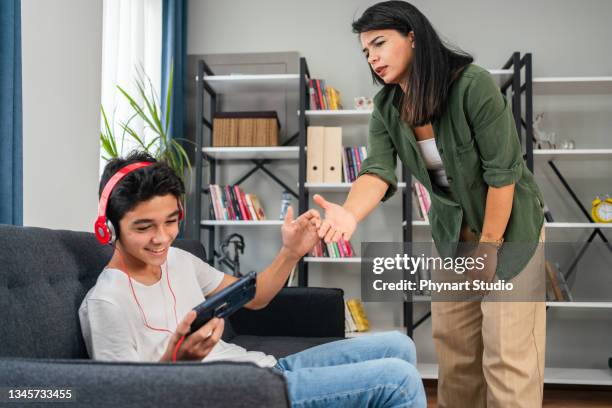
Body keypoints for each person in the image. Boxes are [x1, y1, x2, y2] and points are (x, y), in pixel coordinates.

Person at [313, 1, 547, 407]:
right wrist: (349, 212)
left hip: (510, 233)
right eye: (366, 51)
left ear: (413, 38)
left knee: (507, 355)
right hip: (452, 239)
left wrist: (489, 247)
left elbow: (503, 173)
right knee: (455, 356)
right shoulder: (387, 108)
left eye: (380, 43)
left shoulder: (473, 85)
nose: (372, 58)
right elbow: (377, 172)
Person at [79, 151, 426, 408]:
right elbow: (124, 397)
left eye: (170, 221)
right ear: (108, 228)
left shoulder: (180, 260)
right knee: (399, 380)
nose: (162, 238)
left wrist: (291, 251)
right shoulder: (106, 302)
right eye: (144, 227)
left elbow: (256, 298)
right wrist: (176, 362)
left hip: (262, 368)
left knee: (400, 345)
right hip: (240, 393)